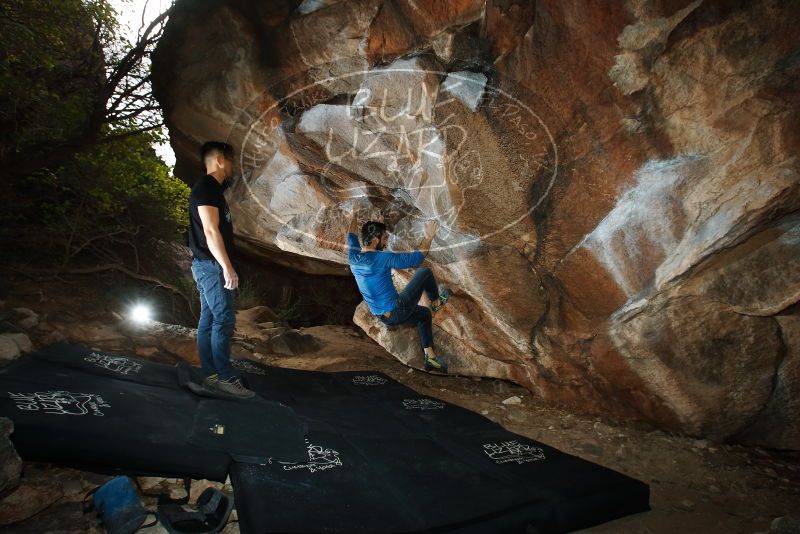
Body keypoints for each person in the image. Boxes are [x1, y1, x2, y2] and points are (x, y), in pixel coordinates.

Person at [187, 141, 254, 399]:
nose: (233, 166)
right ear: (219, 160)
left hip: (205, 265)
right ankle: (224, 378)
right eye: (231, 160)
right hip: (211, 266)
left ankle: (211, 375)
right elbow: (211, 230)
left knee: (209, 320)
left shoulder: (213, 189)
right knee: (224, 319)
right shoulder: (206, 189)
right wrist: (227, 267)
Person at [346, 210, 450, 372]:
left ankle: (430, 357)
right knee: (424, 273)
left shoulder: (353, 257)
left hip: (383, 317)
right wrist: (429, 236)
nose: (387, 242)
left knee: (424, 314)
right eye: (385, 239)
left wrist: (353, 214)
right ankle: (436, 302)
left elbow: (351, 233)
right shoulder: (383, 258)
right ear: (375, 240)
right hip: (397, 310)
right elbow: (416, 259)